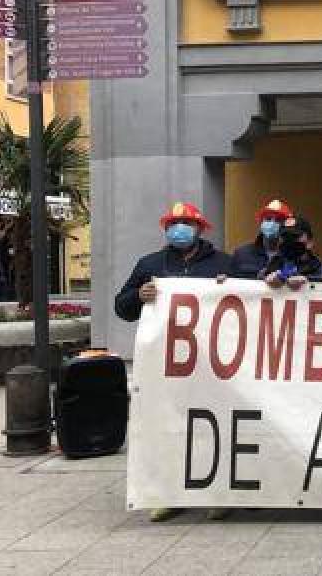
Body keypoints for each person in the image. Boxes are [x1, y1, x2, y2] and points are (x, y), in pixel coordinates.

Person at [113, 201, 232, 523]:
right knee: (168, 427)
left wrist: (230, 287)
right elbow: (121, 308)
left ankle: (218, 494)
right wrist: (138, 295)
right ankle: (168, 494)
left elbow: (251, 299)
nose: (179, 228)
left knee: (212, 426)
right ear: (165, 229)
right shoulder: (149, 264)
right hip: (166, 364)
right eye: (173, 223)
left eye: (186, 223)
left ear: (200, 229)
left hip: (211, 363)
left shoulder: (223, 262)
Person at [260, 216, 322, 287]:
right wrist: (266, 285)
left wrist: (309, 285)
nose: (289, 240)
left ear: (310, 242)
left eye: (295, 236)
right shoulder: (265, 273)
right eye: (285, 237)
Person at [230, 198, 293, 279]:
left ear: (286, 227)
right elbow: (231, 284)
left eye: (278, 220)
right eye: (268, 219)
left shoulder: (292, 256)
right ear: (261, 222)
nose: (272, 223)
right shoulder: (242, 254)